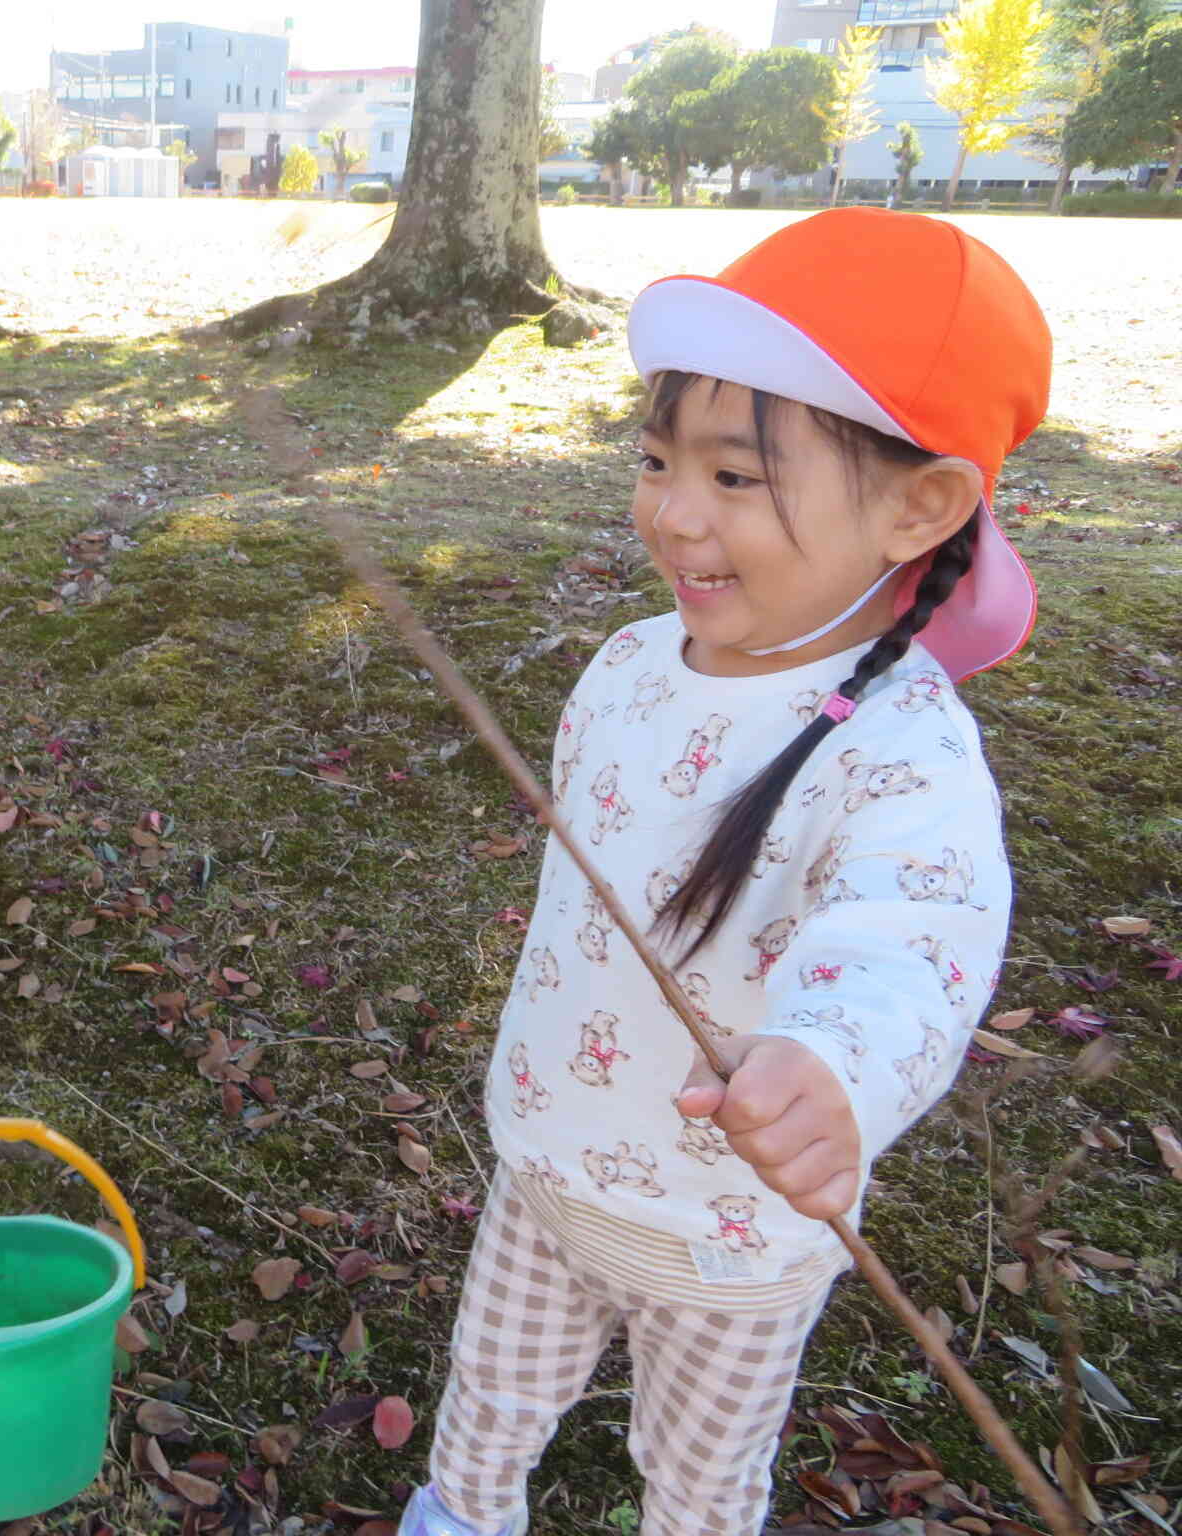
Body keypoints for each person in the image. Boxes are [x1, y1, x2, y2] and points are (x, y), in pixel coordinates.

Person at [399, 209, 1051, 1536]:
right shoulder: (632, 664)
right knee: (486, 1410)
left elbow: (906, 930)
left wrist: (836, 1065)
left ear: (918, 505)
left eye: (736, 479)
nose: (671, 513)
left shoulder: (905, 755)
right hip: (553, 1160)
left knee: (698, 1486)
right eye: (654, 458)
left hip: (731, 1236)